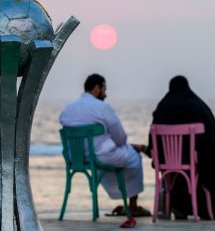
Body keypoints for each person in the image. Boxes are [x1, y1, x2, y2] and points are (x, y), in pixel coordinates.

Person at [59, 73, 150, 217]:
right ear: (96, 89)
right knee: (135, 157)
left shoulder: (67, 109)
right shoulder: (102, 108)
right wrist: (127, 145)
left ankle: (123, 199)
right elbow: (120, 138)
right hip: (101, 157)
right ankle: (133, 206)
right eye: (104, 89)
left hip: (76, 158)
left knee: (109, 160)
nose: (105, 94)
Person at [145, 75, 215, 220]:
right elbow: (213, 137)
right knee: (209, 163)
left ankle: (177, 207)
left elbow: (152, 142)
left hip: (168, 163)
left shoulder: (162, 107)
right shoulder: (198, 106)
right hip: (196, 161)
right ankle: (205, 208)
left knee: (176, 177)